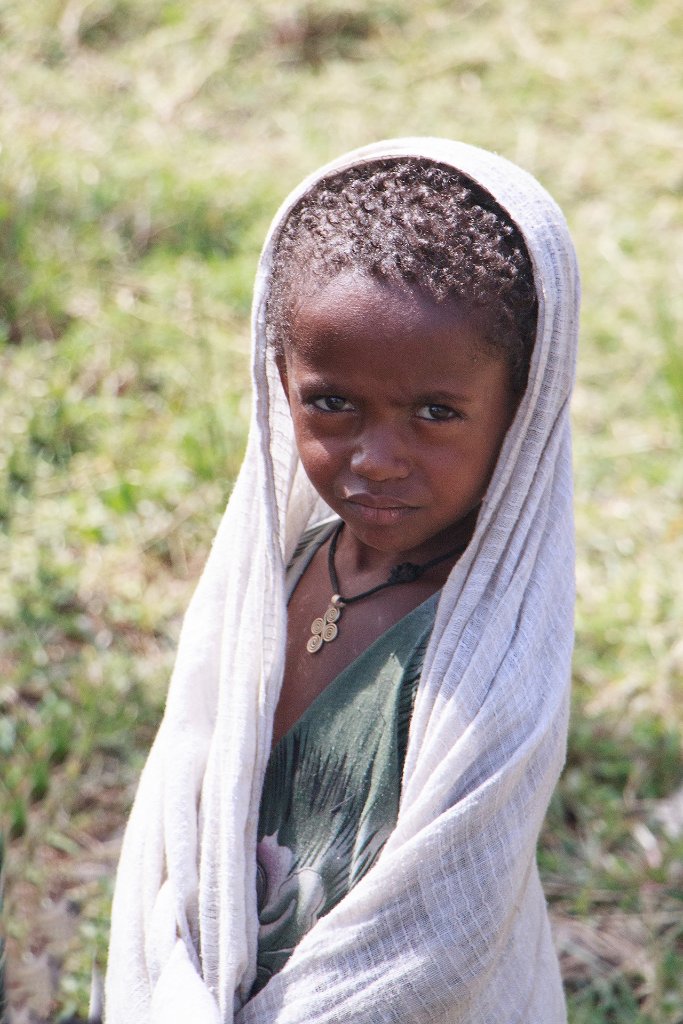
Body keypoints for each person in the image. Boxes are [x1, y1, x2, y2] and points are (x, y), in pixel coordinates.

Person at [105, 138, 580, 1024]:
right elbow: (174, 825)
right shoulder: (269, 579)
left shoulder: (490, 653)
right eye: (331, 402)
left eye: (436, 414)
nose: (376, 459)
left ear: (522, 407)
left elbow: (428, 947)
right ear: (277, 381)